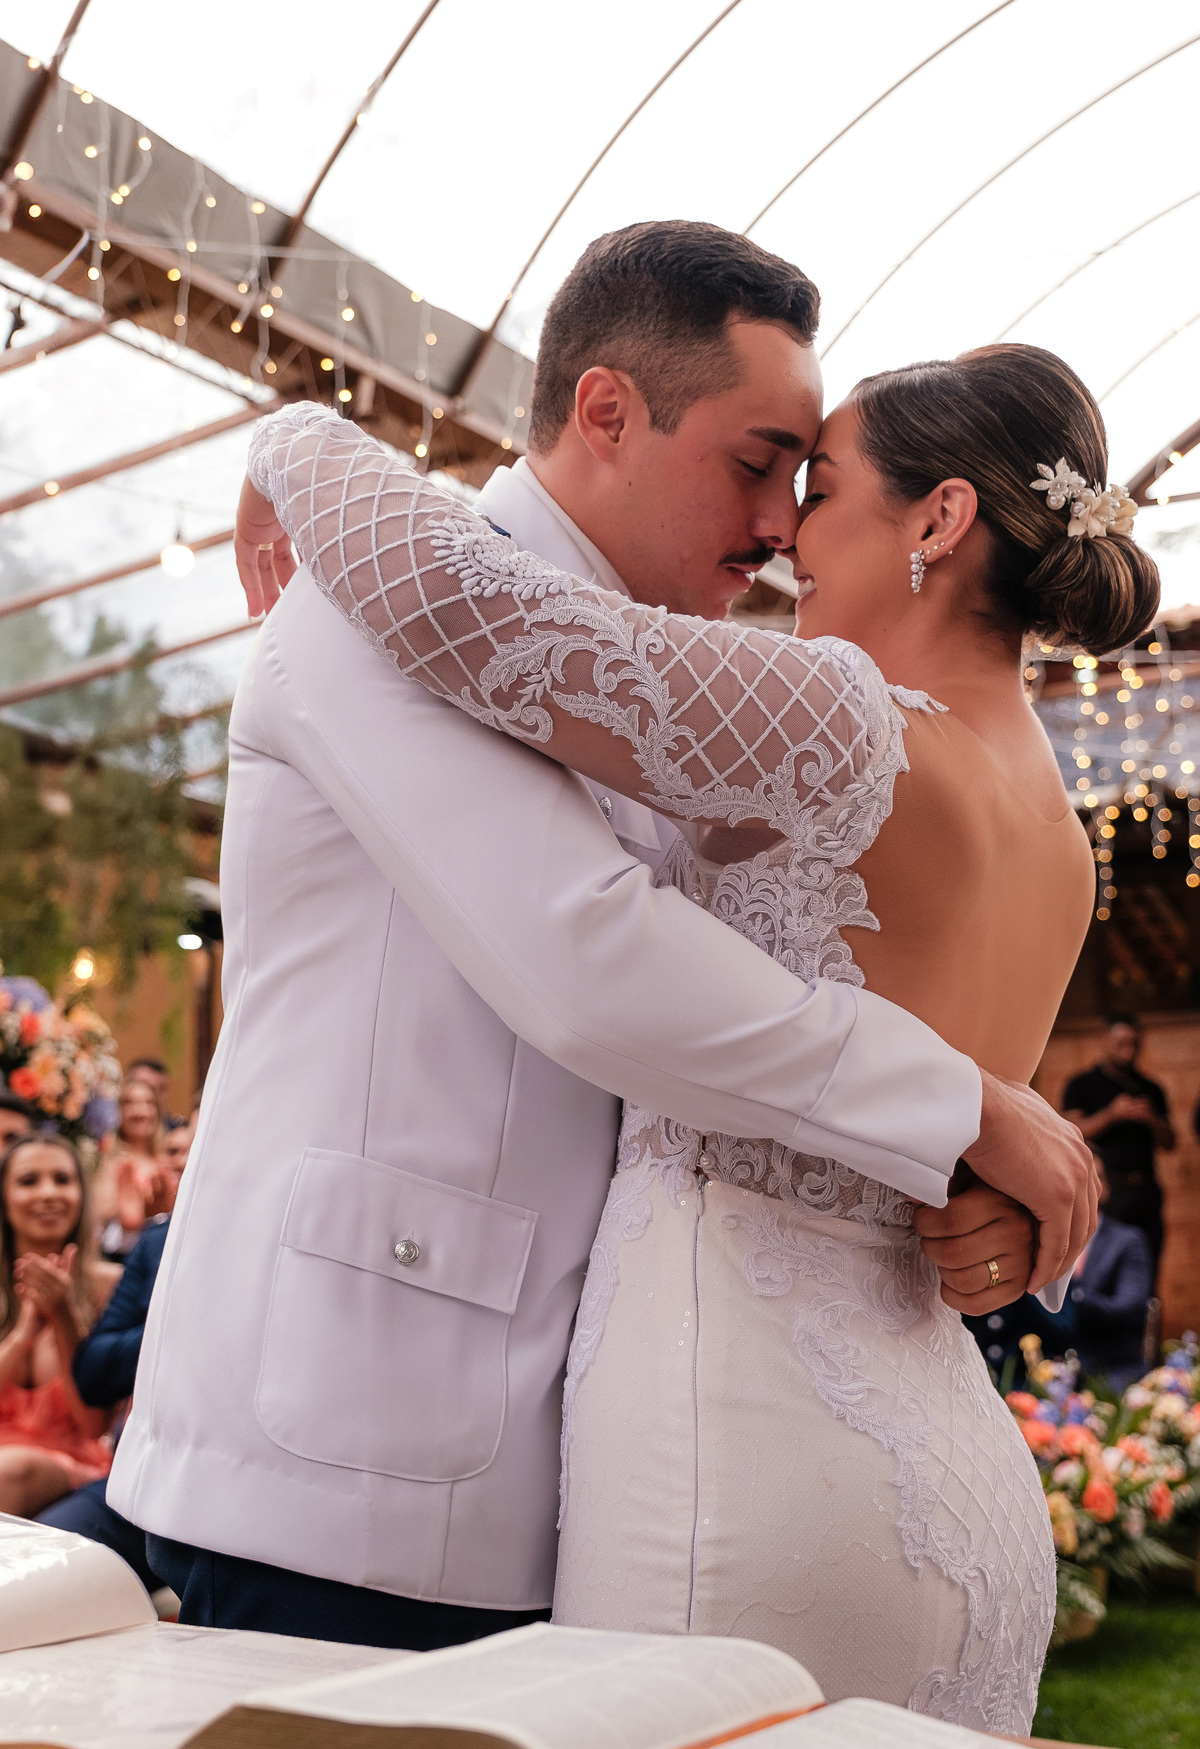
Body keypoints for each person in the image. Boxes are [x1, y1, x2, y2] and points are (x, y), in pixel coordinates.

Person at [111, 224, 1095, 1668]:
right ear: (610, 412)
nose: (778, 525)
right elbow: (590, 955)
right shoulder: (378, 608)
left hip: (596, 1453)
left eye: (808, 483)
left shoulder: (675, 688)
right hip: (345, 1456)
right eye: (763, 463)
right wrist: (964, 1111)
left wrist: (962, 1174)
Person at [38, 1125, 193, 1590]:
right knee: (34, 1564)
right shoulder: (157, 1242)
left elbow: (90, 1413)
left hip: (242, 1484)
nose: (47, 1195)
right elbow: (95, 1372)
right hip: (145, 1476)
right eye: (177, 1150)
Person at [0, 1133, 121, 1515]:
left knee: (11, 1470)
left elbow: (93, 1425)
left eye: (63, 1179)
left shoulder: (112, 1285)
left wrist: (65, 1316)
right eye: (28, 1181)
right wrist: (24, 1335)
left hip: (70, 1464)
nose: (49, 1193)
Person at [1063, 1015, 1174, 1269]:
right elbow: (1071, 1133)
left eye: (1134, 1044)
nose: (1128, 1051)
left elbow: (1170, 1142)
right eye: (1121, 1043)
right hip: (1104, 1192)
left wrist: (1152, 1119)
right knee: (1104, 1268)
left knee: (1149, 1264)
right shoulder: (1082, 1085)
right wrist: (1112, 1115)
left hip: (1145, 1188)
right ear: (1105, 1041)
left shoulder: (1150, 1088)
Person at [1070, 1159, 1155, 1393]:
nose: (1082, 1183)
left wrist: (1071, 1296)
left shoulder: (1127, 1241)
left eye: (1093, 1176)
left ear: (1104, 1188)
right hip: (1051, 1367)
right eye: (1074, 1173)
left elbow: (1129, 1308)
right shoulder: (1039, 1240)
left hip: (1112, 1367)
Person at [92, 1074, 167, 1255]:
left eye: (149, 1103)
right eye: (129, 1103)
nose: (140, 1111)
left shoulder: (167, 1158)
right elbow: (99, 1215)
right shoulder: (109, 1161)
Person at [127, 1057, 188, 1131]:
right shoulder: (111, 1132)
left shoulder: (177, 1131)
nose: (154, 1095)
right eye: (146, 1086)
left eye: (161, 1088)